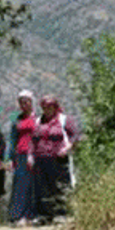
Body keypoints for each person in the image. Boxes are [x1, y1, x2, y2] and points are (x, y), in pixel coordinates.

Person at [30, 94, 81, 222]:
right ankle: (45, 215)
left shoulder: (64, 120)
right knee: (42, 187)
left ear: (55, 106)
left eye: (50, 106)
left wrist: (67, 148)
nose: (47, 109)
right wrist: (30, 156)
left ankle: (62, 213)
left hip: (59, 158)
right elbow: (33, 140)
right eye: (45, 107)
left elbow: (75, 136)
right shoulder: (37, 121)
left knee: (60, 186)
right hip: (41, 158)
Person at [6, 90, 37, 226]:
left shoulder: (38, 119)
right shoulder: (17, 120)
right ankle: (18, 216)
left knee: (34, 185)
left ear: (31, 102)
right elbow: (12, 139)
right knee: (20, 185)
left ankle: (32, 215)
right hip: (20, 155)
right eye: (21, 102)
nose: (24, 105)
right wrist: (10, 158)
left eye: (26, 101)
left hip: (36, 154)